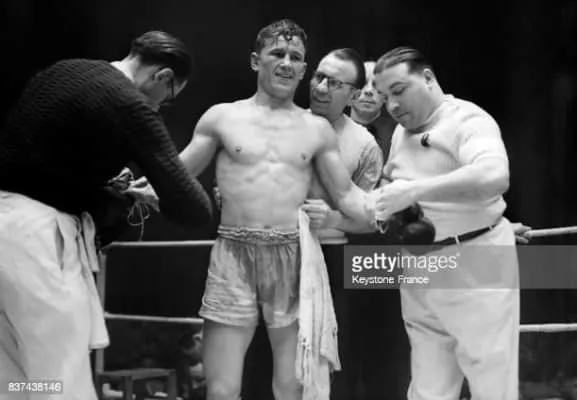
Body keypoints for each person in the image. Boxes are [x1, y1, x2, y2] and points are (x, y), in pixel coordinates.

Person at [0, 31, 213, 399]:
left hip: (6, 225)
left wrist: (105, 186)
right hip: (38, 242)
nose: (161, 106)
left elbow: (41, 157)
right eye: (168, 97)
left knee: (13, 375)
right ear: (162, 76)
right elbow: (195, 209)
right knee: (62, 377)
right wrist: (152, 196)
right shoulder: (129, 104)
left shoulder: (64, 71)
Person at [176, 20, 371, 400]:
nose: (286, 63)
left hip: (292, 257)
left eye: (295, 57)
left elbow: (348, 195)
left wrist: (394, 204)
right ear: (256, 61)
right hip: (232, 254)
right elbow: (176, 174)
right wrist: (136, 190)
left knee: (291, 387)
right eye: (277, 53)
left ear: (303, 68)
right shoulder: (222, 117)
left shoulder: (317, 129)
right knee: (222, 390)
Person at [368, 46, 519, 400]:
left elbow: (494, 175)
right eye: (385, 97)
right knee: (428, 381)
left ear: (428, 78)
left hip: (475, 259)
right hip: (419, 262)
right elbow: (394, 181)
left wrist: (415, 190)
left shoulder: (468, 120)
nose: (392, 105)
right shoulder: (400, 132)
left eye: (399, 90)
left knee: (490, 376)